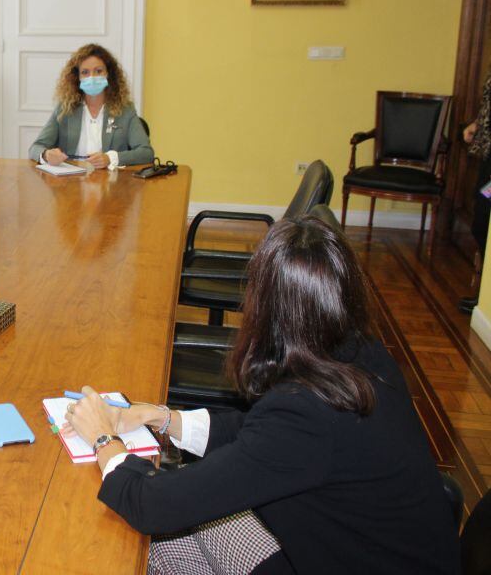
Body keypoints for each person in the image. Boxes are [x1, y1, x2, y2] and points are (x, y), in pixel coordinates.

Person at [65, 216, 460, 574]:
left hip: (342, 558)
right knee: (182, 527)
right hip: (355, 549)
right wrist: (162, 418)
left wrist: (104, 440)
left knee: (155, 548)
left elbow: (151, 506)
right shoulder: (357, 352)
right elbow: (260, 433)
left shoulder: (306, 413)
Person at [27, 44, 153, 170]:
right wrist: (46, 155)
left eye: (98, 71)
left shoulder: (125, 109)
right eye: (85, 72)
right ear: (78, 77)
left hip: (111, 183)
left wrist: (110, 158)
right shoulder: (65, 108)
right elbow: (35, 148)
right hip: (71, 182)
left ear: (109, 74)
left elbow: (146, 153)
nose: (92, 77)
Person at [461, 76, 491, 312]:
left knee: (483, 221)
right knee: (481, 221)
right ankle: (483, 296)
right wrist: (477, 124)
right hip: (488, 156)